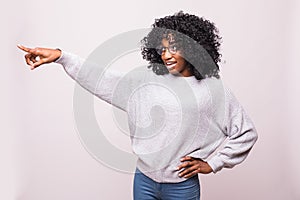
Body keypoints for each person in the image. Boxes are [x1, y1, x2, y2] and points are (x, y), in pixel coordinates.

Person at [18, 11, 258, 200]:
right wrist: (62, 56)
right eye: (162, 48)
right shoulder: (146, 79)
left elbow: (246, 132)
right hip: (143, 180)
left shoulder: (212, 89)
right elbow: (101, 78)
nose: (166, 55)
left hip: (182, 187)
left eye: (174, 47)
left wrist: (213, 164)